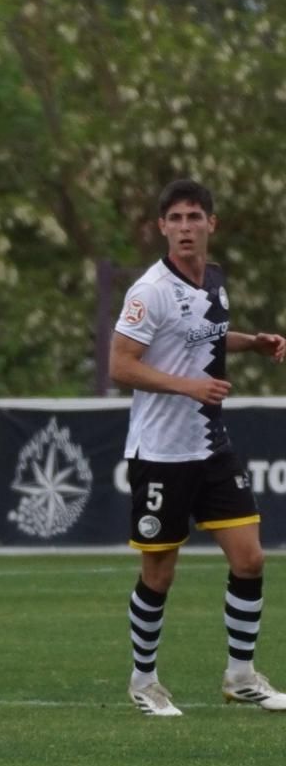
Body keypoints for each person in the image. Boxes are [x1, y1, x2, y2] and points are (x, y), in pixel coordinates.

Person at [109, 177, 286, 718]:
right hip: (161, 451)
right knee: (159, 572)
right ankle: (144, 681)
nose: (186, 228)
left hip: (210, 444)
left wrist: (251, 341)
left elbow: (203, 334)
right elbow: (120, 366)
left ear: (212, 224)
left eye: (195, 217)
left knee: (251, 558)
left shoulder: (212, 279)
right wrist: (188, 386)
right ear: (162, 227)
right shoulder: (149, 291)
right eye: (176, 219)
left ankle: (240, 676)